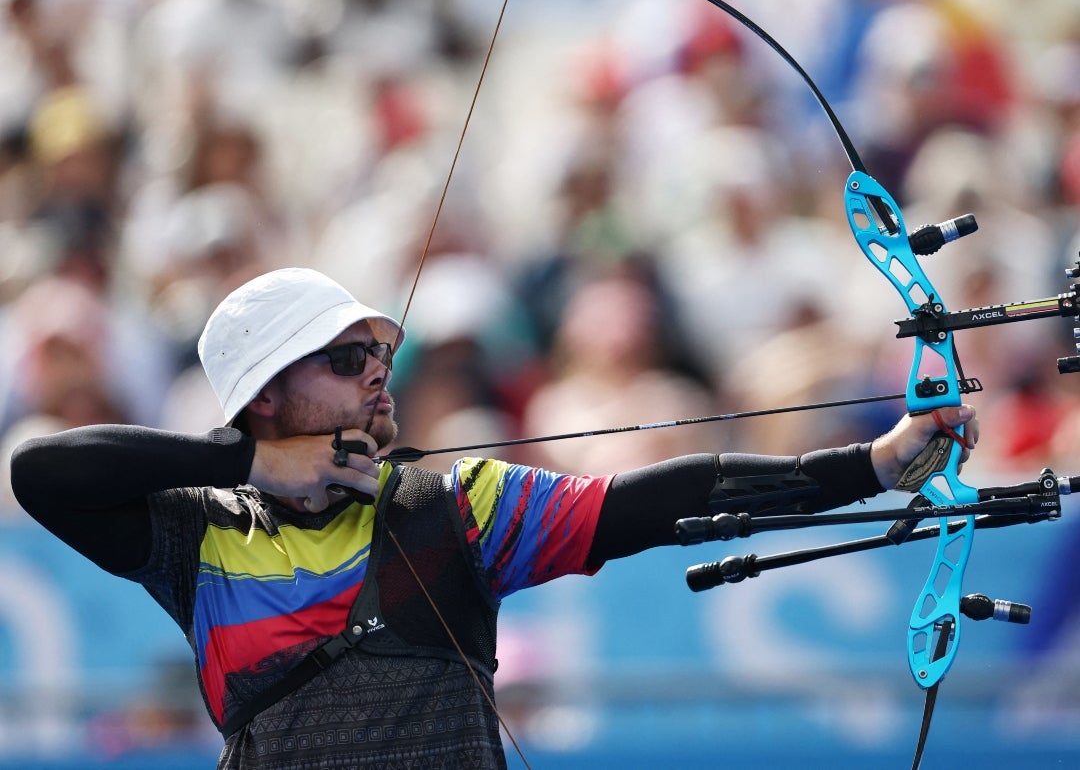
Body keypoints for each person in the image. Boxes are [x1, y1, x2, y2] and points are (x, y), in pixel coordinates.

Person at [10, 267, 979, 769]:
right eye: (342, 360)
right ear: (265, 395)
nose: (376, 371)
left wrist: (876, 463)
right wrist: (251, 462)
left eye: (376, 353)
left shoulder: (457, 506)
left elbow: (657, 503)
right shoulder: (202, 532)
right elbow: (44, 473)